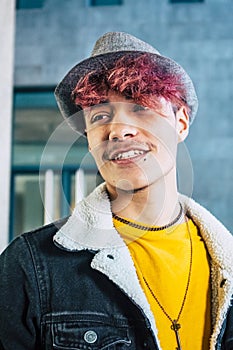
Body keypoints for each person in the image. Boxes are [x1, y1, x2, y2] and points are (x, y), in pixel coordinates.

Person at [0, 32, 232, 350]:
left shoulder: (227, 266)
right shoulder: (28, 267)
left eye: (140, 108)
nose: (118, 129)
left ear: (181, 124)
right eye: (99, 116)